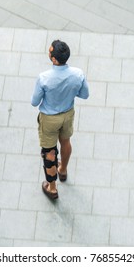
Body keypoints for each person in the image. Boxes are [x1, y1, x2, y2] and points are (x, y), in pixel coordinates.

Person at [31, 40, 89, 199]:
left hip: (49, 119)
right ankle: (63, 170)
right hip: (67, 114)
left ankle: (52, 188)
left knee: (49, 152)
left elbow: (34, 102)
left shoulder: (44, 78)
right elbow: (84, 94)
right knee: (66, 141)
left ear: (54, 59)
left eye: (50, 52)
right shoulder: (78, 74)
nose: (49, 53)